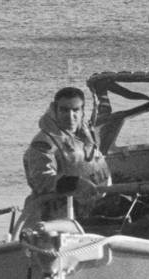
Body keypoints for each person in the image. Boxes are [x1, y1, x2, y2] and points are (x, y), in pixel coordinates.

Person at [20, 86, 111, 228]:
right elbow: (41, 180)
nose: (70, 116)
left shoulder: (86, 135)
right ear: (55, 110)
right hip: (57, 216)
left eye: (75, 110)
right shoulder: (44, 142)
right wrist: (74, 183)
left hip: (92, 208)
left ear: (82, 112)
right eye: (64, 110)